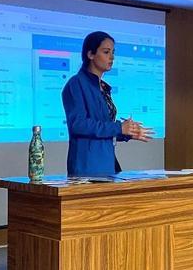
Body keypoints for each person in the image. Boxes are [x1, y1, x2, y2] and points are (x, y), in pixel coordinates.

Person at [61, 31, 153, 176]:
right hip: (87, 166)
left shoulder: (103, 87)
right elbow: (78, 124)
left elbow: (104, 126)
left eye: (113, 52)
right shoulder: (76, 83)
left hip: (106, 163)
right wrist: (119, 127)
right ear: (90, 54)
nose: (112, 57)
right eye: (106, 52)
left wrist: (128, 132)